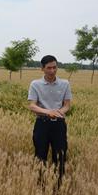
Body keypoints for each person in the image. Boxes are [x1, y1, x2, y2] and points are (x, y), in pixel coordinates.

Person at [28, 55, 72, 183]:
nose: (52, 71)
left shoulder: (65, 84)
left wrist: (58, 112)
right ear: (42, 69)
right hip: (42, 124)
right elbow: (32, 105)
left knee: (60, 157)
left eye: (55, 67)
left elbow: (67, 105)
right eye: (49, 68)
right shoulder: (35, 84)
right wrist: (48, 112)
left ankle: (59, 186)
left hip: (59, 124)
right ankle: (40, 185)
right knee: (40, 156)